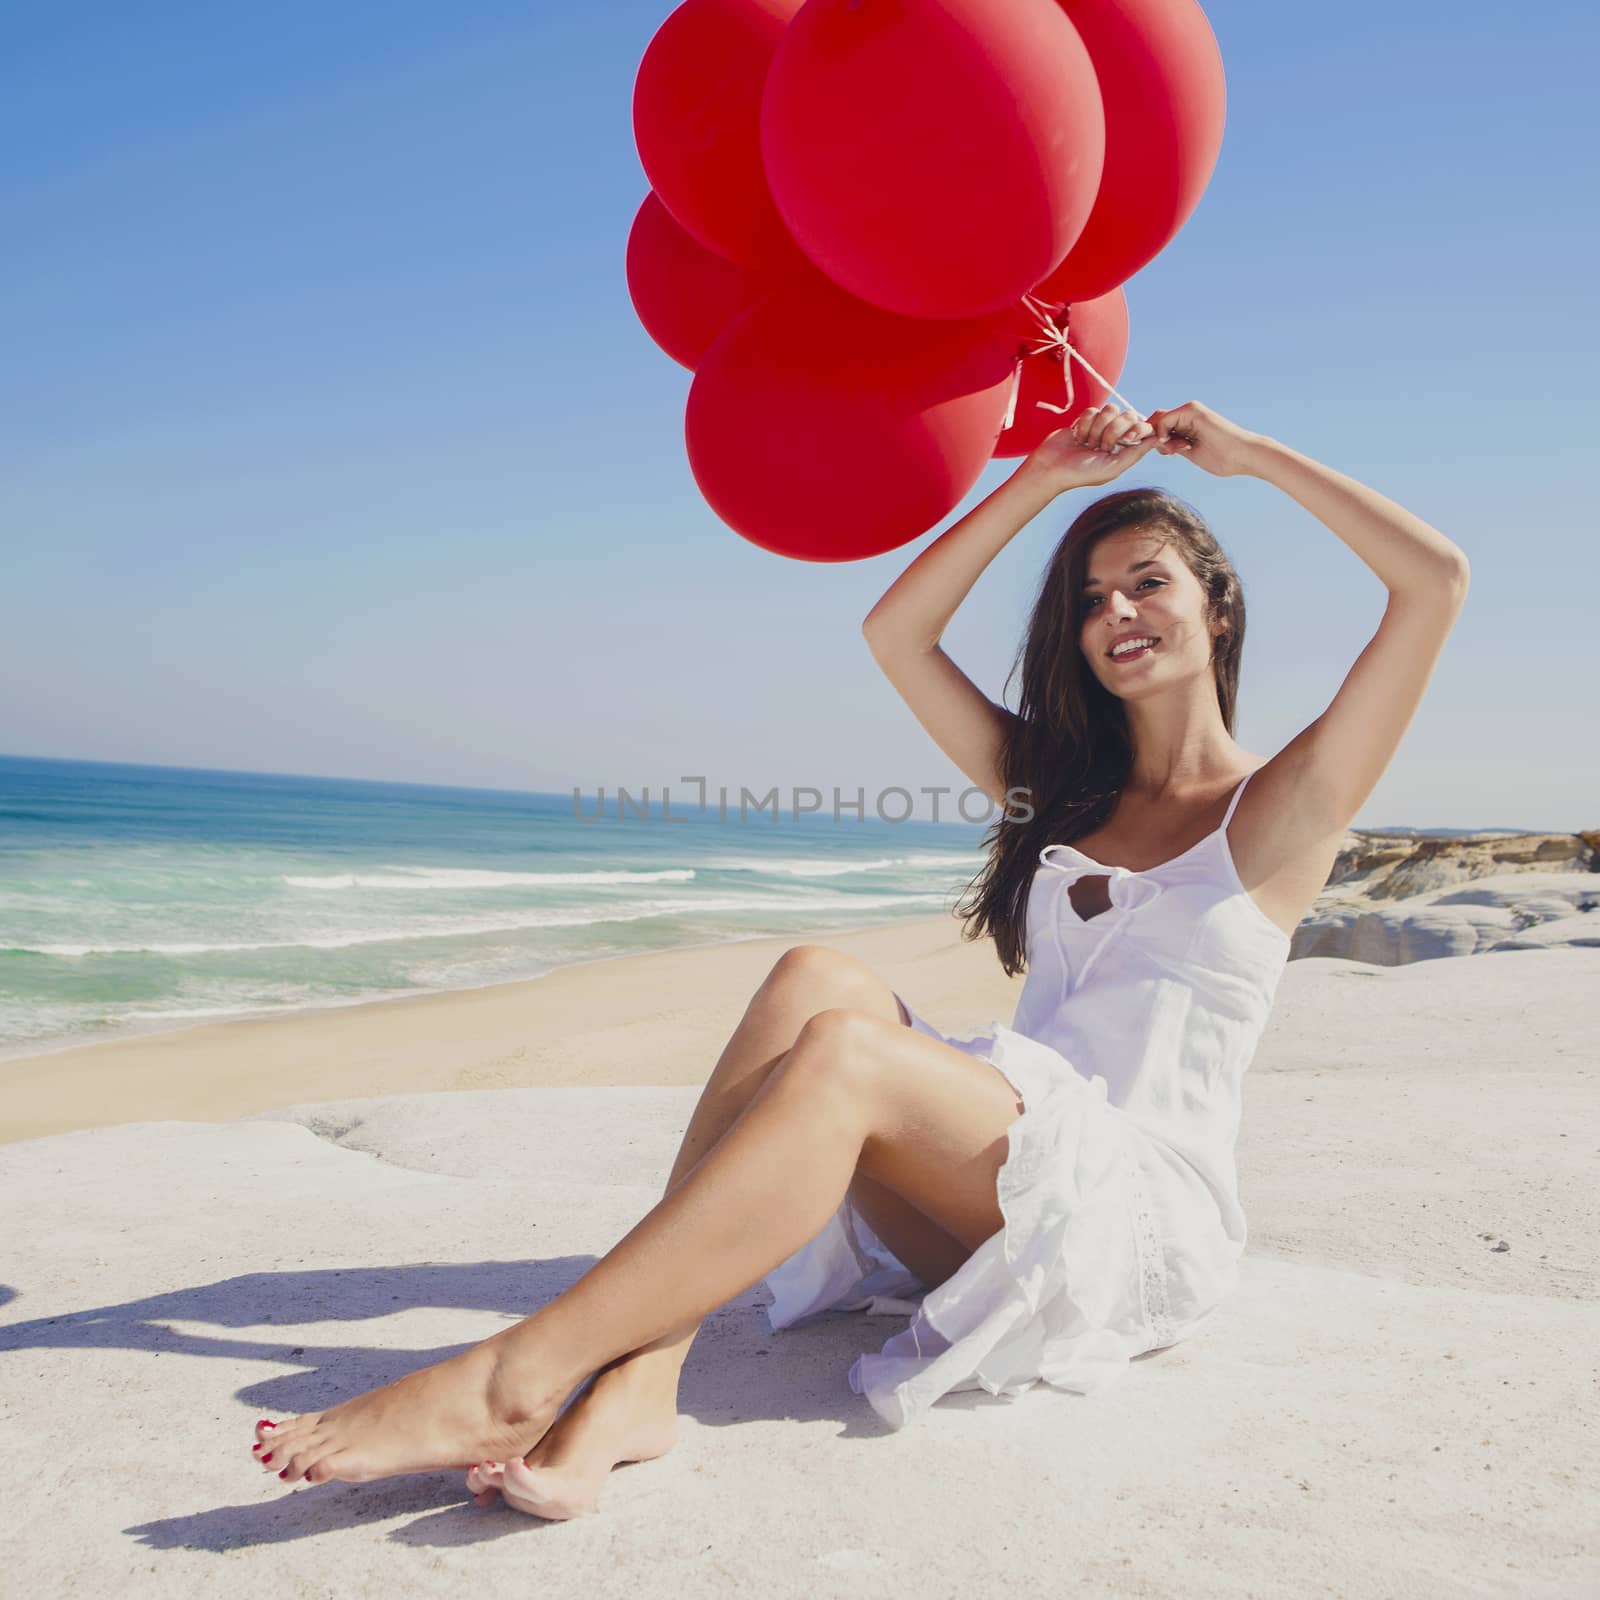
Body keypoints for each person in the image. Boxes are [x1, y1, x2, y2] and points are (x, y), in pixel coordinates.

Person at [247, 399, 1470, 1519]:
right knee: (812, 978)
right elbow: (895, 631)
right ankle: (643, 1372)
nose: (1115, 616)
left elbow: (1434, 583)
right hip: (1002, 1173)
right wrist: (1038, 481)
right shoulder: (1061, 789)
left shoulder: (1283, 808)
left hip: (1131, 1223)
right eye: (1091, 600)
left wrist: (1250, 458)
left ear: (1220, 605)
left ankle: (518, 1374)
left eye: (1147, 583)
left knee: (846, 1055)